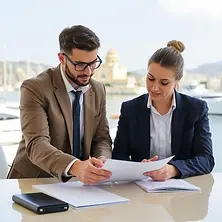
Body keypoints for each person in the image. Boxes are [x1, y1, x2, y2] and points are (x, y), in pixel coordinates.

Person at [7, 25, 112, 184]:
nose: (88, 72)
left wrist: (102, 161)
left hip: (79, 185)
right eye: (80, 65)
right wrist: (75, 167)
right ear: (62, 58)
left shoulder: (98, 89)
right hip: (34, 182)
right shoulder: (35, 88)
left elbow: (102, 138)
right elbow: (37, 145)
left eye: (92, 63)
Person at [112, 40, 214, 180]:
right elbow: (118, 156)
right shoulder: (130, 109)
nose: (154, 87)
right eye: (150, 79)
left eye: (164, 83)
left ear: (177, 80)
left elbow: (206, 159)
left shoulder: (195, 109)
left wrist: (173, 169)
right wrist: (138, 168)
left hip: (183, 190)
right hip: (140, 190)